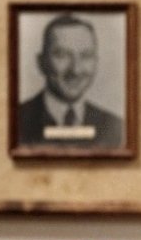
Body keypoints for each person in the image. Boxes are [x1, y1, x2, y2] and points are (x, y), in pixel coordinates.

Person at [18, 13, 123, 149]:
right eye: (62, 55)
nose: (75, 70)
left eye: (85, 56)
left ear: (96, 62)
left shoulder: (115, 127)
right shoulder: (17, 121)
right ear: (41, 62)